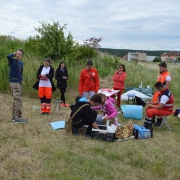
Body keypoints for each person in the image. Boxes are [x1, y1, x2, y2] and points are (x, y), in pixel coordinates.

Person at [7, 49, 27, 123]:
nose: (18, 55)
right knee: (17, 100)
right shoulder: (12, 61)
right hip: (14, 82)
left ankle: (14, 117)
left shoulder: (21, 63)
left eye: (20, 54)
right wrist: (13, 53)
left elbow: (20, 73)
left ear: (22, 56)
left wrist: (21, 79)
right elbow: (8, 56)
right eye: (17, 53)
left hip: (19, 82)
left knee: (17, 100)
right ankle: (17, 119)